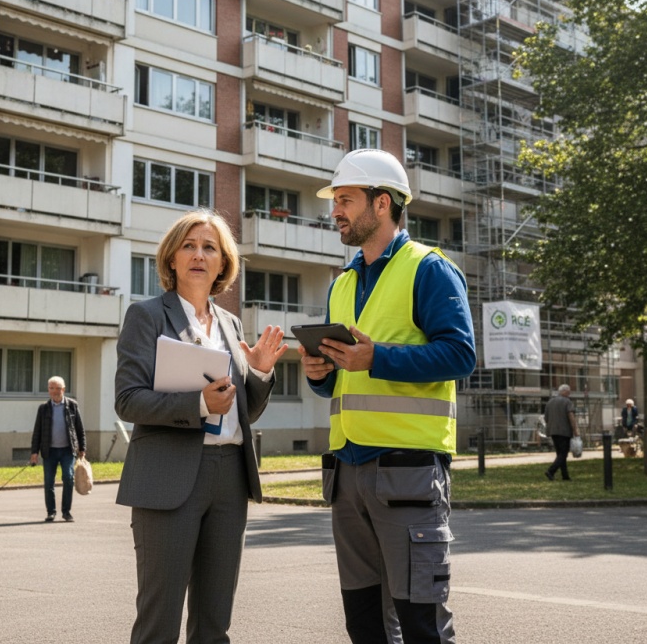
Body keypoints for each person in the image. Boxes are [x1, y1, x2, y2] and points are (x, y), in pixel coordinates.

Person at [299, 149, 476, 644]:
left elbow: (460, 355)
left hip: (408, 474)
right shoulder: (342, 284)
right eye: (335, 200)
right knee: (365, 626)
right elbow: (342, 379)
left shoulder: (430, 270)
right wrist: (320, 373)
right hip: (347, 474)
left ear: (382, 204)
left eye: (345, 199)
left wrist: (377, 358)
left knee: (422, 625)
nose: (335, 210)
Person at [115, 209, 287, 644]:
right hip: (168, 478)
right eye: (188, 245)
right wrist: (197, 404)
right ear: (171, 258)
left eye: (209, 247)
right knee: (159, 621)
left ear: (223, 263)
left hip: (230, 478)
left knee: (214, 623)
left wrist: (261, 374)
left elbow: (241, 411)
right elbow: (127, 399)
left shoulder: (230, 324)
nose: (198, 254)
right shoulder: (146, 315)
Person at [30, 376, 86, 522]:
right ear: (48, 390)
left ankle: (66, 512)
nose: (54, 391)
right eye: (51, 388)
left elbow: (79, 429)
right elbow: (37, 432)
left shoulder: (72, 405)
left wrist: (82, 448)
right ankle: (51, 512)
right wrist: (34, 452)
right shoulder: (43, 408)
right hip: (49, 451)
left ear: (63, 389)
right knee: (49, 482)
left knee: (68, 478)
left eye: (57, 388)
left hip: (68, 450)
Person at [543, 384, 578, 482]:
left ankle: (565, 476)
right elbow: (571, 416)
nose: (570, 394)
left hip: (553, 431)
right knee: (563, 454)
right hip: (564, 431)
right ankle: (551, 471)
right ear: (565, 392)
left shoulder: (550, 402)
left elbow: (546, 418)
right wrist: (575, 430)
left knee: (560, 454)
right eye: (569, 392)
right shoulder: (567, 402)